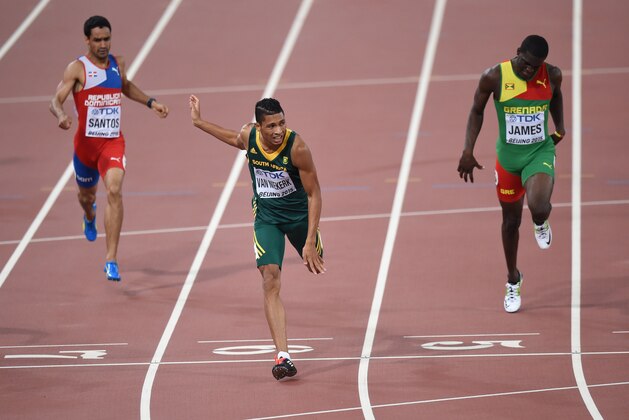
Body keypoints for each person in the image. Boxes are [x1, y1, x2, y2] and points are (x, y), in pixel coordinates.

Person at [189, 94, 325, 380]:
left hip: (299, 217)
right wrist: (199, 122)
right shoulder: (248, 136)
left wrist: (310, 240)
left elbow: (314, 194)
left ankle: (311, 243)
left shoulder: (297, 147)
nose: (278, 131)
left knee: (317, 261)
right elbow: (232, 138)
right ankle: (283, 356)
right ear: (259, 126)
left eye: (282, 123)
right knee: (270, 278)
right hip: (267, 219)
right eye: (272, 126)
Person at [50, 16, 169, 281]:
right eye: (98, 40)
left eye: (107, 39)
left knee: (114, 190)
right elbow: (55, 100)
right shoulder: (77, 69)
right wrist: (60, 115)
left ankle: (111, 259)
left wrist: (151, 102)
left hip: (112, 142)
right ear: (87, 40)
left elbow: (124, 86)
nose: (103, 44)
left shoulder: (118, 63)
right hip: (85, 147)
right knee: (87, 197)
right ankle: (89, 215)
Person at [457, 35, 565, 313]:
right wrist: (468, 150)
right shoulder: (494, 76)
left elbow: (556, 96)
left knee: (539, 207)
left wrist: (560, 127)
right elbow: (476, 111)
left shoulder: (551, 74)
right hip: (508, 160)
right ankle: (513, 280)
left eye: (535, 67)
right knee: (510, 222)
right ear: (518, 53)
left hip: (539, 152)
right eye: (527, 64)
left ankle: (541, 222)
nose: (530, 71)